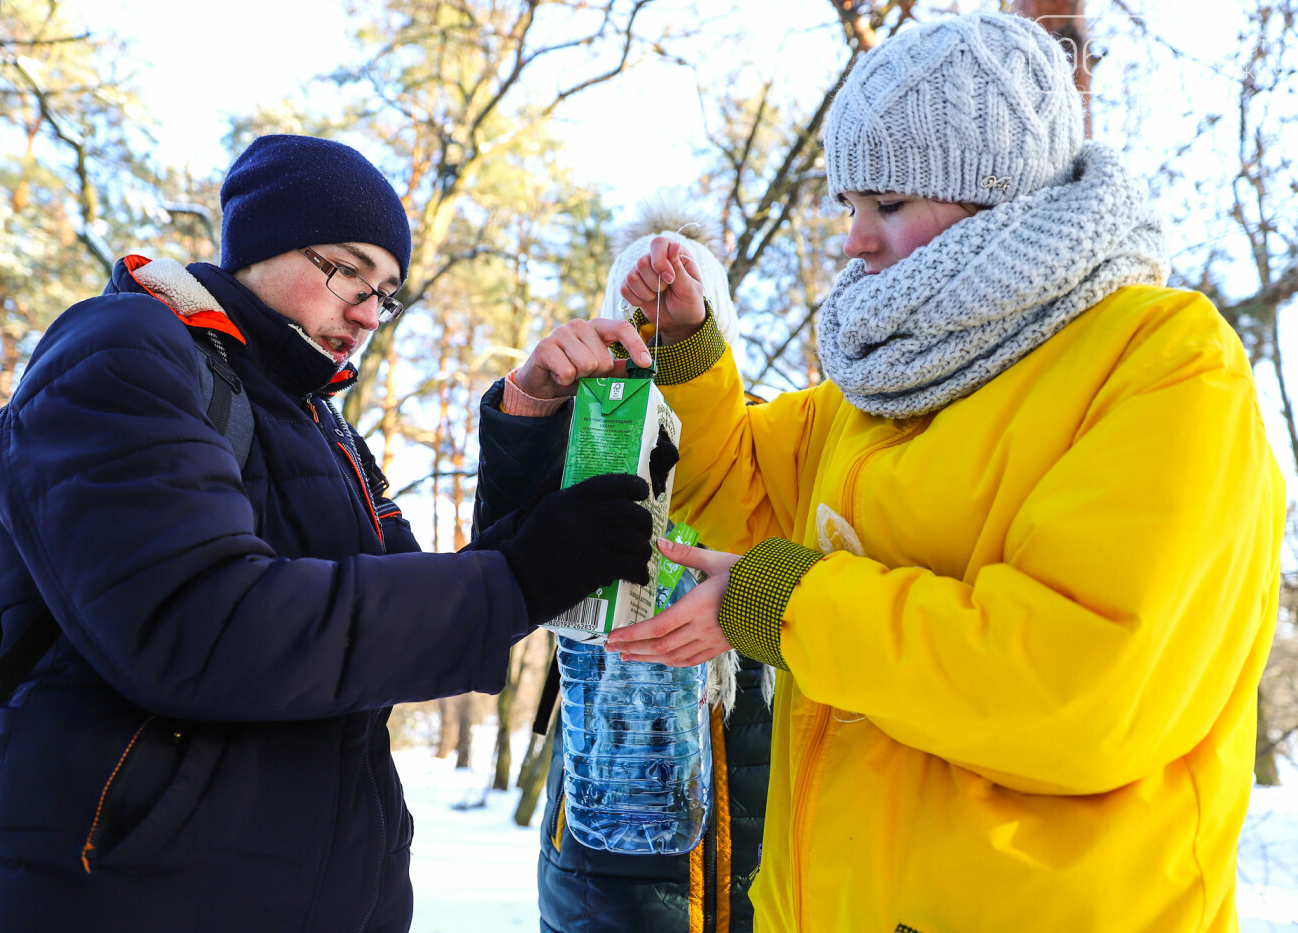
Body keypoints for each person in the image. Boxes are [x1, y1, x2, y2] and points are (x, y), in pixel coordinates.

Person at [518, 13, 1284, 932]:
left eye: (886, 205)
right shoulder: (881, 387)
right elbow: (742, 505)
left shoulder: (1161, 362)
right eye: (849, 207)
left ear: (996, 195)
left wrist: (794, 604)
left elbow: (1086, 686)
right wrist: (688, 349)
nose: (855, 241)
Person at [0, 133, 654, 933]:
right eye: (347, 269)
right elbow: (198, 625)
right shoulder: (123, 348)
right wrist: (523, 575)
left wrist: (530, 417)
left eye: (385, 291)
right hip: (127, 898)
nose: (365, 311)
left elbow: (417, 624)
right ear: (262, 242)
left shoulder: (320, 424)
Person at [472, 205, 772, 933]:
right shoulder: (581, 436)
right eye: (637, 311)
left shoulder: (770, 443)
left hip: (762, 841)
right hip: (604, 847)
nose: (658, 323)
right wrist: (532, 406)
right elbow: (496, 565)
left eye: (685, 309)